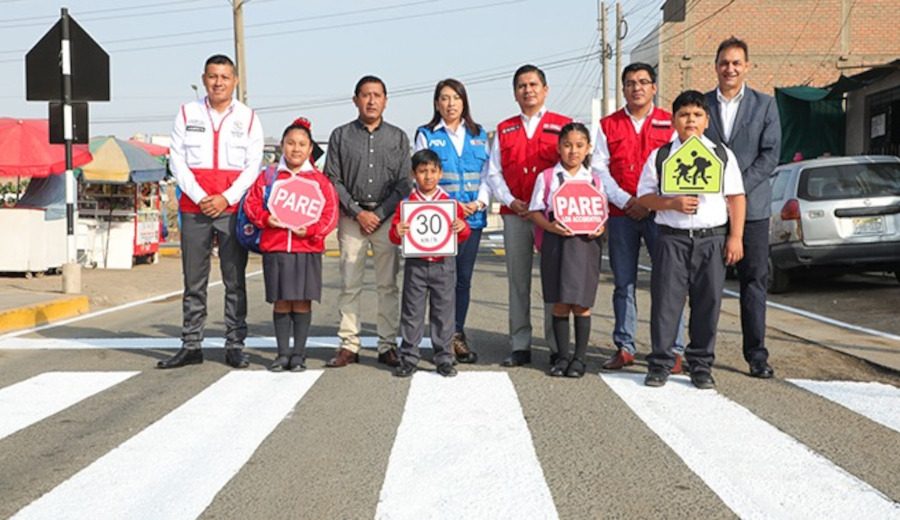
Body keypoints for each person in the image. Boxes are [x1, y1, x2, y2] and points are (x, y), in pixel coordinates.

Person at [159, 54, 263, 369]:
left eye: (225, 76)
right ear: (204, 79)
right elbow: (177, 159)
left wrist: (226, 198)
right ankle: (191, 345)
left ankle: (235, 345)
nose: (218, 82)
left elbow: (253, 166)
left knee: (235, 280)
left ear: (235, 81)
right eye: (213, 76)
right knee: (193, 280)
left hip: (232, 211)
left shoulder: (247, 118)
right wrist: (203, 196)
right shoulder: (186, 112)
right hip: (194, 208)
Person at [636, 90, 746, 389]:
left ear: (707, 120)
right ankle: (660, 362)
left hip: (711, 238)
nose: (691, 120)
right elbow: (644, 196)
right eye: (684, 115)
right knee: (666, 303)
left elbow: (736, 197)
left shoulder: (721, 154)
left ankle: (700, 365)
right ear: (673, 120)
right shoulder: (661, 156)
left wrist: (735, 237)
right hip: (672, 238)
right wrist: (671, 203)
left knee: (707, 302)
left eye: (697, 115)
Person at [591, 62, 690, 373]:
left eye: (643, 82)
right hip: (622, 214)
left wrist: (652, 203)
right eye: (630, 83)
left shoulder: (669, 122)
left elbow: (680, 164)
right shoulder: (608, 126)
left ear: (654, 87)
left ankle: (672, 349)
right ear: (623, 89)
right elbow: (599, 170)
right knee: (624, 282)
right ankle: (625, 346)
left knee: (669, 283)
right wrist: (627, 200)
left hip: (662, 215)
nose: (637, 88)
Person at [484, 64, 572, 367]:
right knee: (518, 281)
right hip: (515, 213)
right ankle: (520, 343)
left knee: (553, 281)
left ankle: (555, 344)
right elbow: (493, 172)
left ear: (545, 90)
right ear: (515, 93)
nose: (528, 90)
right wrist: (511, 200)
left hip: (550, 217)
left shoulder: (563, 126)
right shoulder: (505, 129)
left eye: (533, 84)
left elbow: (572, 169)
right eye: (522, 86)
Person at [704, 37, 781, 379]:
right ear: (716, 66)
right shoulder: (702, 104)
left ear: (747, 66)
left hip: (753, 210)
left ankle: (756, 356)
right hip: (710, 210)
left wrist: (736, 189)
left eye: (736, 63)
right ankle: (701, 354)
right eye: (724, 62)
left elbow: (770, 155)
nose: (730, 68)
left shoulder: (765, 105)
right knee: (707, 284)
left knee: (753, 282)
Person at [325, 75, 411, 368]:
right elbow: (332, 178)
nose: (371, 100)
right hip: (351, 219)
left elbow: (403, 183)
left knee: (388, 285)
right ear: (355, 100)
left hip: (386, 220)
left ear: (386, 100)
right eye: (365, 95)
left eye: (377, 95)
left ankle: (387, 344)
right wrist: (357, 211)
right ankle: (349, 345)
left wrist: (380, 214)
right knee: (350, 284)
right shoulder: (340, 135)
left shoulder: (398, 137)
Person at [243, 117, 338, 372]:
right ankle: (282, 353)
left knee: (302, 301)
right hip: (275, 248)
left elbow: (330, 214)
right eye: (291, 143)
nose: (296, 149)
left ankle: (299, 354)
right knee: (281, 301)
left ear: (310, 149)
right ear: (282, 145)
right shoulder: (269, 175)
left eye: (302, 144)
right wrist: (266, 219)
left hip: (306, 249)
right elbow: (251, 204)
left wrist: (312, 231)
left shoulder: (320, 181)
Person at [414, 78, 490, 364]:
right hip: (440, 218)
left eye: (455, 98)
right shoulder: (426, 134)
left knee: (463, 280)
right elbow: (423, 176)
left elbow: (487, 174)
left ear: (464, 101)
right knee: (440, 280)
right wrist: (451, 206)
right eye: (444, 98)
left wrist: (479, 202)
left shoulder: (479, 134)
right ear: (436, 103)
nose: (450, 104)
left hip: (472, 217)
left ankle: (456, 334)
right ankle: (440, 338)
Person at [528, 122, 605, 378]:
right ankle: (561, 357)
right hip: (557, 244)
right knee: (559, 302)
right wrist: (550, 227)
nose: (573, 151)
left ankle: (579, 359)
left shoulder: (594, 179)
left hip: (585, 246)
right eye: (568, 145)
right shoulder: (548, 177)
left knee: (581, 303)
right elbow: (535, 211)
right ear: (559, 147)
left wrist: (600, 228)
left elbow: (602, 215)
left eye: (579, 145)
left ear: (588, 149)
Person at [389, 149, 471, 377]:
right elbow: (394, 236)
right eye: (422, 171)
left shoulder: (449, 202)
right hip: (416, 264)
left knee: (444, 312)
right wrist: (397, 231)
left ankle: (444, 357)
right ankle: (408, 357)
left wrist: (462, 228)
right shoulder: (407, 203)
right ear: (413, 174)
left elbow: (463, 231)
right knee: (412, 312)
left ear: (440, 173)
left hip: (444, 263)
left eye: (433, 171)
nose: (428, 176)